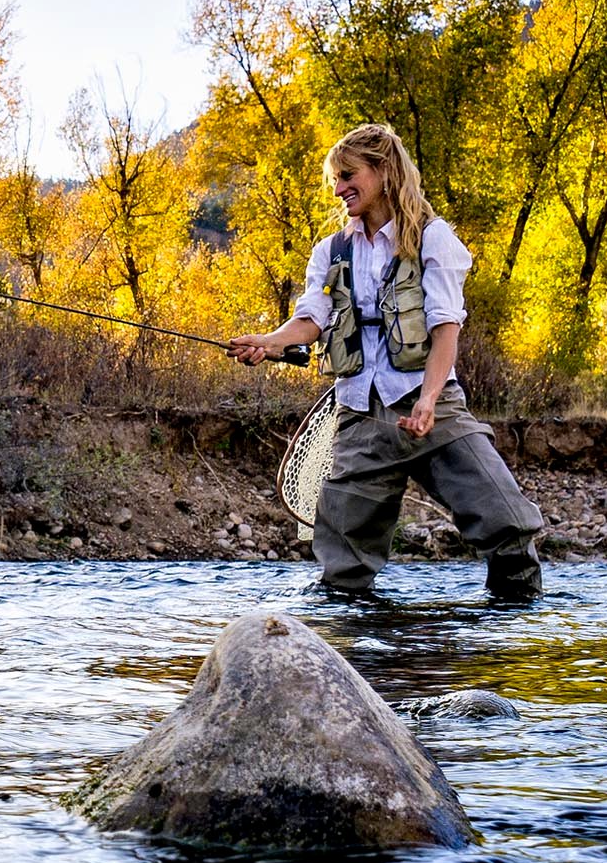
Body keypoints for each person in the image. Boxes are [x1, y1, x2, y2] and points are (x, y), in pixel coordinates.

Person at [227, 123, 547, 602]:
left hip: (432, 407)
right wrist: (270, 341)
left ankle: (513, 627)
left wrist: (430, 401)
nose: (338, 189)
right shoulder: (331, 251)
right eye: (335, 179)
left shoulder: (434, 240)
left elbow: (445, 329)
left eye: (348, 175)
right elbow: (311, 318)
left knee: (508, 526)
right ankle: (359, 657)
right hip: (360, 415)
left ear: (382, 170)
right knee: (342, 569)